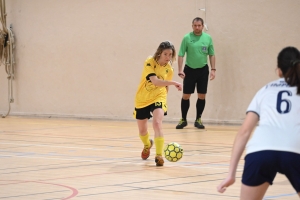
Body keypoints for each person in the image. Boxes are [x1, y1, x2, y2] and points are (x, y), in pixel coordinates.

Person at [217, 46, 300, 199]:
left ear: (278, 70)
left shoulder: (265, 90)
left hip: (260, 151)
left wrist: (231, 174)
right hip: (295, 150)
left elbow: (244, 131)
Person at [133, 41, 182, 166]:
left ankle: (159, 156)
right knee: (142, 130)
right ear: (159, 53)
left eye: (170, 55)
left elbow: (165, 86)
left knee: (157, 123)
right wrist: (174, 83)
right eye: (165, 54)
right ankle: (147, 145)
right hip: (142, 98)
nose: (168, 57)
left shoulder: (169, 69)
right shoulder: (149, 61)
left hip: (159, 97)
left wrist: (164, 99)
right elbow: (155, 81)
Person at [176, 17, 216, 130]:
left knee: (202, 95)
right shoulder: (187, 38)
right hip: (189, 70)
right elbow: (180, 54)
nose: (197, 27)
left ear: (203, 26)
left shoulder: (208, 38)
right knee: (186, 95)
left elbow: (212, 54)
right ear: (192, 26)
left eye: (199, 25)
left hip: (203, 70)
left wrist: (213, 69)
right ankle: (183, 119)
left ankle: (198, 119)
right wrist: (180, 70)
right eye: (195, 25)